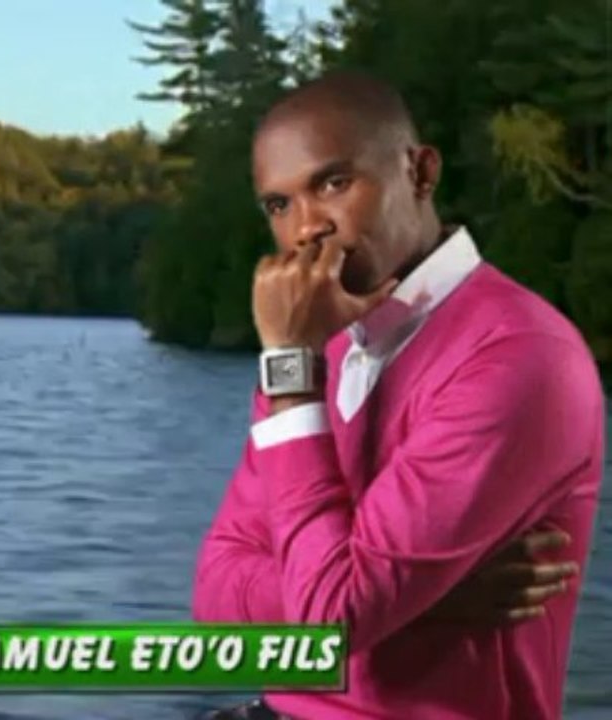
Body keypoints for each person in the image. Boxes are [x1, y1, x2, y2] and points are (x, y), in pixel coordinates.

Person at [191, 69, 605, 719]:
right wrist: (427, 602)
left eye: (332, 183)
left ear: (419, 172)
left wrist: (368, 604)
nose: (305, 230)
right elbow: (215, 604)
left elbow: (326, 619)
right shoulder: (309, 351)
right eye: (278, 205)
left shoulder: (519, 357)